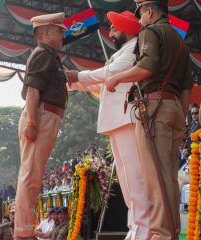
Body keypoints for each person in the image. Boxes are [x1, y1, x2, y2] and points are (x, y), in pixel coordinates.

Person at [105, 1, 193, 239]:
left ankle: (160, 234)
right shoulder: (180, 42)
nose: (139, 21)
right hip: (175, 107)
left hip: (155, 106)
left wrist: (117, 78)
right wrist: (181, 119)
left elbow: (147, 66)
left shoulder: (151, 31)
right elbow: (187, 86)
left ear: (150, 11)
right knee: (169, 176)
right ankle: (171, 231)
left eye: (140, 14)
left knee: (154, 177)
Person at [67, 10, 150, 239]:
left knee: (135, 179)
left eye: (114, 28)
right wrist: (71, 82)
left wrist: (77, 75)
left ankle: (143, 229)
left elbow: (110, 73)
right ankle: (135, 228)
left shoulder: (134, 48)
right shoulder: (124, 51)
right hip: (118, 122)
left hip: (127, 119)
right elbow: (101, 82)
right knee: (126, 180)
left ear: (126, 30)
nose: (111, 33)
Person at [15, 12, 67, 240]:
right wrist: (33, 123)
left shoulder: (49, 55)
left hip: (46, 115)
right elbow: (33, 91)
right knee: (30, 176)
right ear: (46, 33)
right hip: (41, 115)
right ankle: (23, 232)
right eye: (59, 31)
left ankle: (24, 230)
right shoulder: (43, 54)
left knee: (33, 176)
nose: (63, 35)